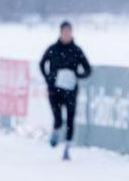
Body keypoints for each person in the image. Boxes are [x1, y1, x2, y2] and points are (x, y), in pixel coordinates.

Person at [39, 21, 92, 160]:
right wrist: (49, 78)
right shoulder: (53, 49)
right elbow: (42, 63)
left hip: (71, 90)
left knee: (70, 119)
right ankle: (56, 130)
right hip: (54, 90)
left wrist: (77, 75)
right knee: (58, 117)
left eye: (69, 32)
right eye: (64, 32)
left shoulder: (76, 50)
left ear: (72, 33)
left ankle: (67, 148)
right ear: (60, 32)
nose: (67, 34)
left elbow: (88, 69)